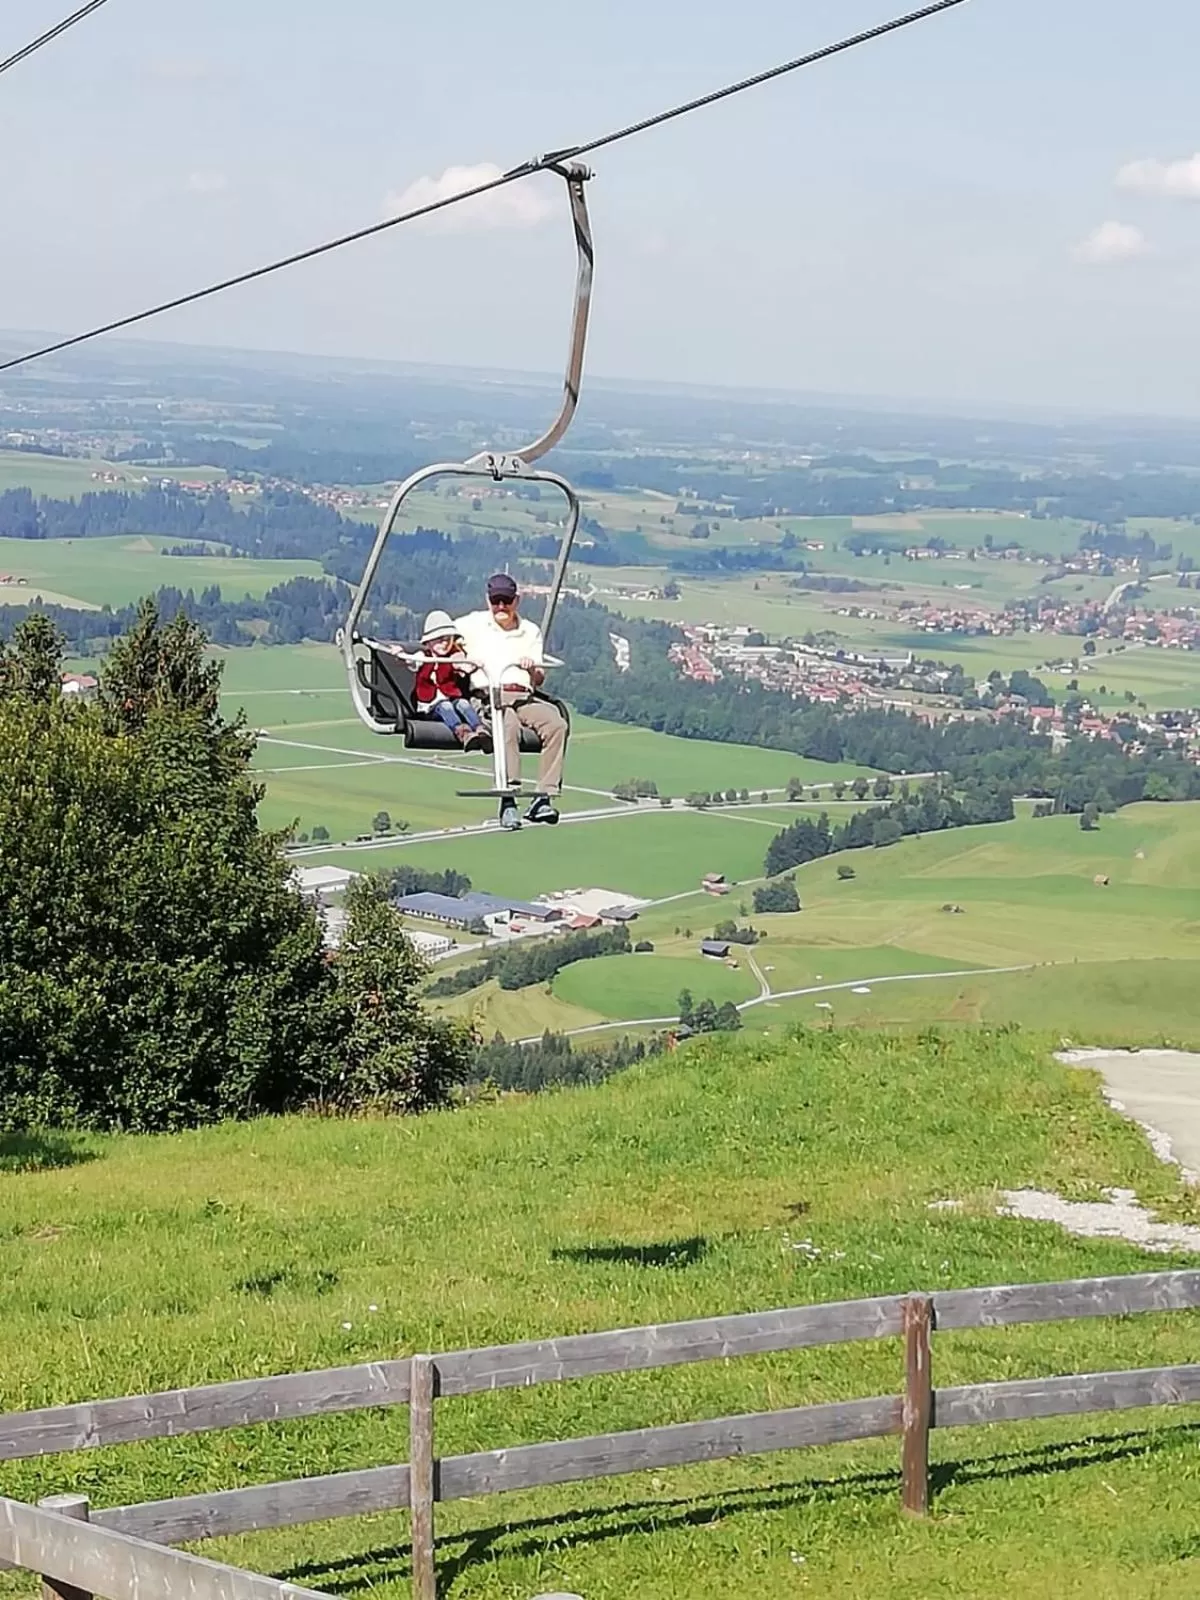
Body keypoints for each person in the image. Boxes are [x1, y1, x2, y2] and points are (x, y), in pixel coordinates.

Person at [455, 573, 568, 829]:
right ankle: (508, 799)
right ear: (488, 600)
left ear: (517, 600)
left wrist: (531, 669)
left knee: (556, 725)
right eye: (496, 601)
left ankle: (543, 796)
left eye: (506, 600)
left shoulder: (530, 631)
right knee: (508, 727)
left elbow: (539, 679)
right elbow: (440, 638)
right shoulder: (472, 625)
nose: (501, 607)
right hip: (489, 695)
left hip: (523, 695)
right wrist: (461, 658)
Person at [411, 611, 488, 750]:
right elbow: (412, 662)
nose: (444, 643)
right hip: (431, 705)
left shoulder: (452, 658)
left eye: (448, 639)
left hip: (451, 698)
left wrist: (473, 665)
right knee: (445, 706)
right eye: (439, 639)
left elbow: (462, 665)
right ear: (429, 642)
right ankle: (463, 733)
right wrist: (400, 655)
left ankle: (480, 729)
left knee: (463, 703)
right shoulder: (424, 657)